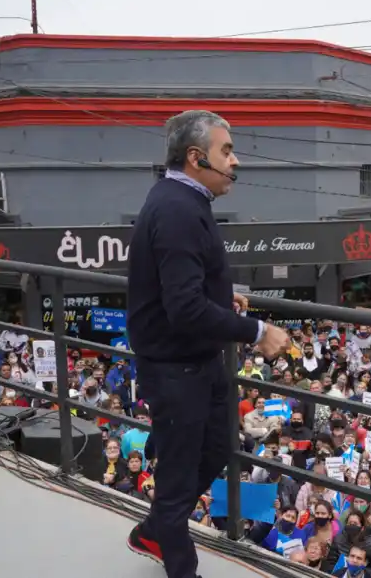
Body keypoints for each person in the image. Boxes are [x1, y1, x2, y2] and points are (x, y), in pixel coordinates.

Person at [124, 110, 289, 578]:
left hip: (198, 362)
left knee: (217, 448)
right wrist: (257, 332)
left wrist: (219, 296)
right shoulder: (177, 209)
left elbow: (183, 285)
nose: (235, 161)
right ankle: (177, 556)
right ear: (197, 158)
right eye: (226, 151)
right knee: (178, 481)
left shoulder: (182, 199)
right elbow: (184, 309)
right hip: (176, 370)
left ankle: (157, 526)